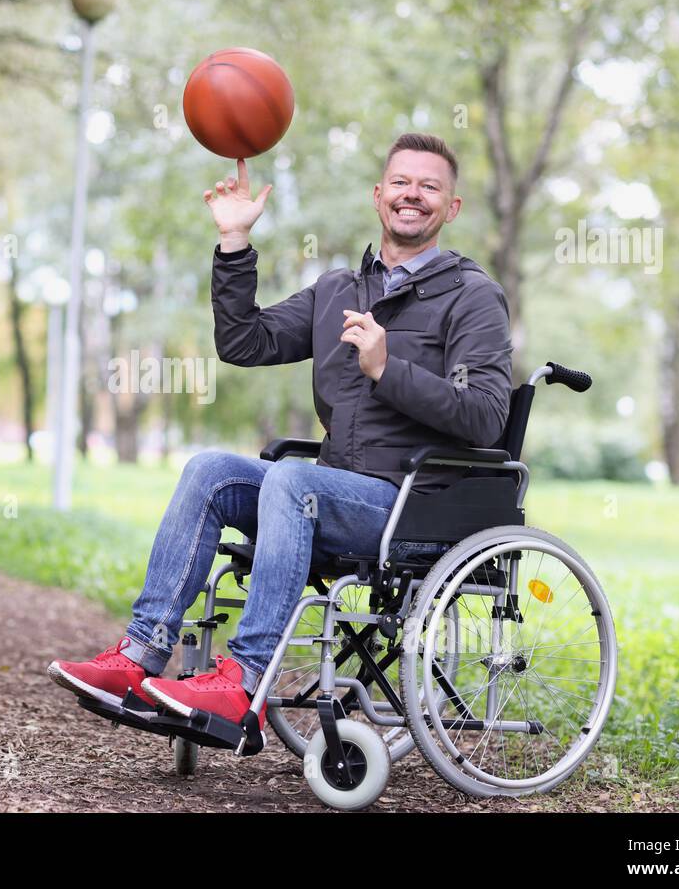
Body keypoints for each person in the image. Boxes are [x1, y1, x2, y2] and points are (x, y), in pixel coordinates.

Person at [48, 133, 513, 729]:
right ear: (378, 196)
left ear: (452, 208)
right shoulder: (338, 291)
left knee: (294, 480)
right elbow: (245, 342)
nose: (412, 195)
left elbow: (484, 415)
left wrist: (386, 369)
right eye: (401, 182)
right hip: (333, 494)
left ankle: (244, 682)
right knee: (211, 470)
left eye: (430, 186)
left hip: (415, 505)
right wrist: (234, 242)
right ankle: (139, 654)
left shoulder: (474, 298)